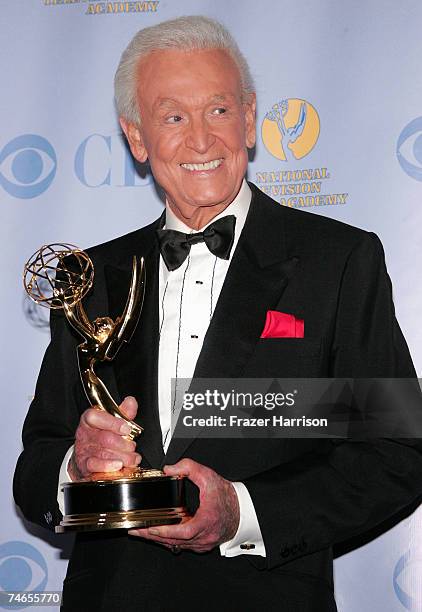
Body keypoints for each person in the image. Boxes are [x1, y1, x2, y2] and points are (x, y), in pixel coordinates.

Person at [14, 15, 422, 612]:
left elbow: (397, 451)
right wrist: (76, 467)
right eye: (173, 117)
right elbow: (35, 469)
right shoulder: (92, 278)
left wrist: (241, 513)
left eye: (219, 111)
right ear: (136, 136)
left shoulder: (338, 261)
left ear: (251, 118)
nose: (201, 140)